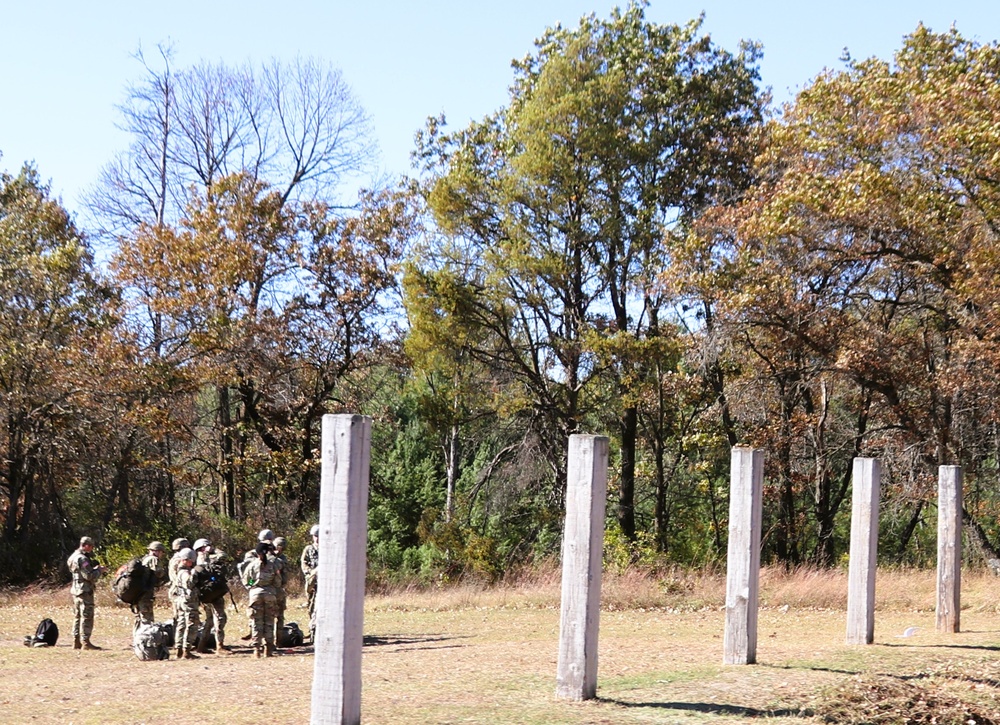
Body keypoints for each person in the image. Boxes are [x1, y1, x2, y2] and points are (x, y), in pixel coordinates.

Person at [241, 541, 281, 658]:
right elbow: (278, 581)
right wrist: (270, 586)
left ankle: (256, 650)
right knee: (269, 622)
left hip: (255, 595)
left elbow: (247, 581)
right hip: (270, 594)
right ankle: (268, 649)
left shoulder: (252, 565)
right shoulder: (274, 565)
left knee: (256, 622)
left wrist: (253, 585)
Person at [67, 535, 107, 650]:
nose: (92, 549)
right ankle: (85, 642)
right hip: (84, 591)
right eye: (90, 546)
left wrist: (93, 569)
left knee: (77, 616)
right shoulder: (82, 559)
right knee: (87, 616)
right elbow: (88, 575)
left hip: (76, 590)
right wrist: (99, 571)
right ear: (85, 545)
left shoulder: (72, 557)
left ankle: (76, 641)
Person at [192, 537, 230, 654]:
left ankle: (201, 645)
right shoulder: (207, 558)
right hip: (213, 594)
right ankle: (219, 645)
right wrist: (213, 550)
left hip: (205, 595)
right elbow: (224, 556)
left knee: (209, 620)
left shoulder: (196, 560)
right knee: (220, 618)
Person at [171, 547, 201, 659]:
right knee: (192, 624)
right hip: (188, 602)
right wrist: (195, 572)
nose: (192, 563)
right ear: (186, 560)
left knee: (181, 624)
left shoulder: (179, 570)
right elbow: (189, 583)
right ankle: (186, 651)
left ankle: (179, 649)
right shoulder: (184, 572)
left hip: (181, 600)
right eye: (191, 561)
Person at [136, 541, 168, 625]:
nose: (161, 555)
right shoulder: (154, 559)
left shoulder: (144, 558)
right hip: (146, 592)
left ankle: (138, 636)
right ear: (157, 551)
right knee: (147, 618)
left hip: (139, 592)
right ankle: (145, 636)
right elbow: (159, 573)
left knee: (140, 617)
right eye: (161, 552)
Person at [301, 524, 319, 642]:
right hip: (313, 582)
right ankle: (313, 631)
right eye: (315, 536)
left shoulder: (328, 548)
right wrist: (311, 573)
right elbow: (304, 563)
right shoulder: (309, 549)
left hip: (325, 583)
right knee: (311, 607)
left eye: (318, 536)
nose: (317, 538)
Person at [167, 538, 191, 627]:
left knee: (179, 616)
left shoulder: (174, 559)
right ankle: (178, 639)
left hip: (175, 589)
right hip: (179, 590)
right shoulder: (180, 560)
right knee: (181, 618)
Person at [272, 536, 289, 645]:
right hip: (270, 590)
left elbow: (285, 577)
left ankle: (278, 640)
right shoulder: (267, 558)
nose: (280, 549)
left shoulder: (282, 559)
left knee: (280, 616)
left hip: (278, 591)